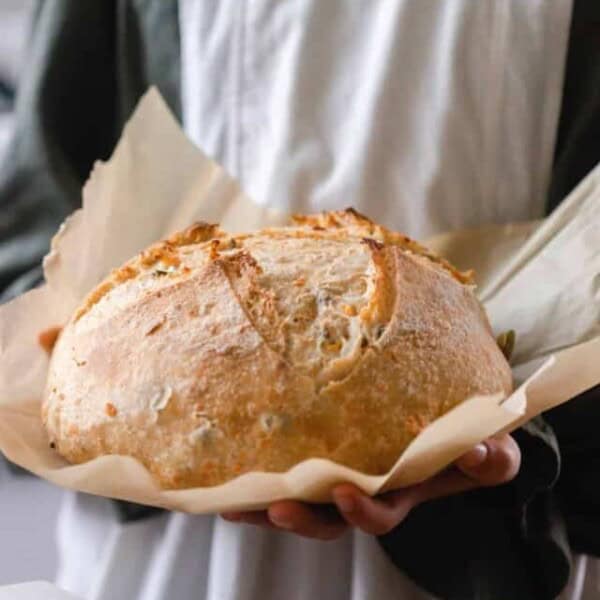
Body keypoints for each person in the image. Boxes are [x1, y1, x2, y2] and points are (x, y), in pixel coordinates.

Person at [1, 1, 599, 599]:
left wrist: (526, 433)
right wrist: (86, 368)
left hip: (492, 552)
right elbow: (35, 226)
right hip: (162, 569)